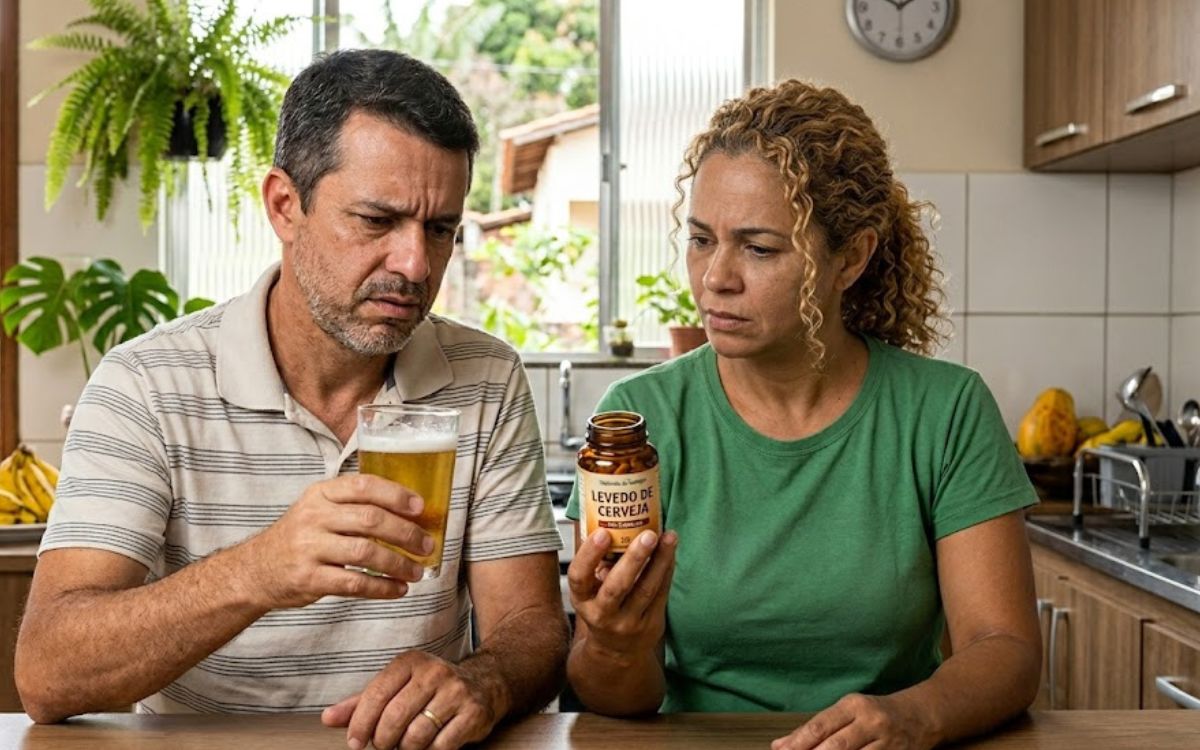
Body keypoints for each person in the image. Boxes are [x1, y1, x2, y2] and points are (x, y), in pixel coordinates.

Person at [16, 50, 568, 750]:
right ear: (284, 204)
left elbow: (533, 629)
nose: (415, 266)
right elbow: (48, 671)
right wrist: (262, 570)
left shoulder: (487, 377)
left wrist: (486, 680)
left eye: (439, 229)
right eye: (377, 220)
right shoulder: (145, 385)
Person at [565, 79, 1041, 750]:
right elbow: (621, 700)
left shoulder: (945, 411)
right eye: (702, 240)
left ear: (849, 258)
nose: (714, 278)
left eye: (759, 248)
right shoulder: (640, 422)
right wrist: (613, 647)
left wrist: (915, 715)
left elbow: (1006, 648)